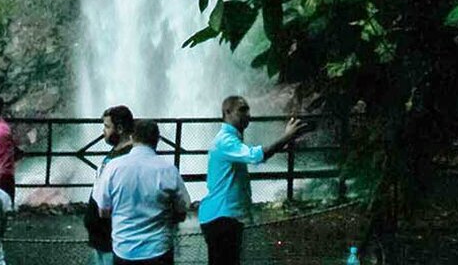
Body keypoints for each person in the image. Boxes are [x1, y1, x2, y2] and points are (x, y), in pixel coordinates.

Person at [198, 96, 310, 265]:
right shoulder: (226, 141)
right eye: (242, 110)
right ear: (227, 112)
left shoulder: (229, 140)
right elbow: (255, 156)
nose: (248, 114)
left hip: (222, 216)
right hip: (221, 217)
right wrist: (287, 136)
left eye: (248, 109)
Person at [93, 120, 190, 265]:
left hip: (124, 249)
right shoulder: (168, 169)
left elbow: (103, 211)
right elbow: (183, 207)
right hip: (158, 249)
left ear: (132, 137)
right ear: (158, 139)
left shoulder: (113, 167)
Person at [85, 105, 135, 265]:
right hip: (101, 238)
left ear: (119, 128)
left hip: (111, 240)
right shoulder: (117, 152)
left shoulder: (127, 158)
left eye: (107, 126)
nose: (103, 131)